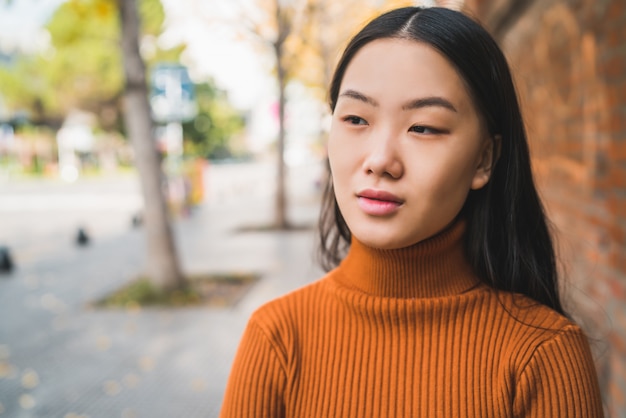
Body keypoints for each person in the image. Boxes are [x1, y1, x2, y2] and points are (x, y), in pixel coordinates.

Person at [219, 6, 604, 417]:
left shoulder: (543, 355)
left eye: (423, 127)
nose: (380, 159)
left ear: (484, 160)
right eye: (355, 118)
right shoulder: (277, 337)